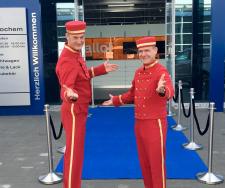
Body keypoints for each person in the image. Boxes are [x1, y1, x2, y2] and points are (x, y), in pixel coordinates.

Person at [103, 37, 174, 188]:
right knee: (145, 163)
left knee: (156, 164)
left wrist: (162, 90)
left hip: (155, 123)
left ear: (155, 51)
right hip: (139, 123)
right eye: (140, 51)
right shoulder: (138, 72)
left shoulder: (161, 70)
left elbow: (170, 91)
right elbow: (133, 93)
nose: (143, 54)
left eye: (147, 50)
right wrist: (115, 100)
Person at [55, 21, 118, 188]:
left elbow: (82, 75)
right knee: (74, 156)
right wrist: (69, 95)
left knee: (76, 154)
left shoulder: (75, 53)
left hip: (79, 110)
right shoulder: (68, 59)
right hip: (74, 110)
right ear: (67, 36)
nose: (79, 41)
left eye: (82, 37)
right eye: (75, 37)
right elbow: (66, 87)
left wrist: (100, 69)